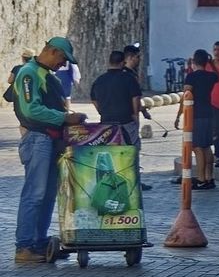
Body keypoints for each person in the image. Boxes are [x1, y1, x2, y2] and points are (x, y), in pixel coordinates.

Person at [11, 37, 85, 264]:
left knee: (47, 195)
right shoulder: (29, 73)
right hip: (38, 139)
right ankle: (24, 246)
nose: (63, 64)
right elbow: (31, 109)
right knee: (34, 194)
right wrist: (65, 118)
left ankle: (39, 243)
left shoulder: (47, 76)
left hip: (51, 140)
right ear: (52, 51)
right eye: (62, 58)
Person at [182, 49, 219, 189]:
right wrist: (212, 63)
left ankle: (201, 178)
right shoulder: (211, 76)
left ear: (193, 61)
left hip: (196, 114)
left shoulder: (191, 77)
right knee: (207, 146)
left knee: (197, 147)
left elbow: (186, 95)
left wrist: (179, 115)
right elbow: (218, 76)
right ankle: (210, 177)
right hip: (209, 113)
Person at [90, 49, 147, 127]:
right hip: (126, 120)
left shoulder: (99, 80)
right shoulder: (129, 78)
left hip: (106, 121)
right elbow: (135, 98)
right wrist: (135, 115)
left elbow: (93, 99)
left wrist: (102, 112)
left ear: (110, 62)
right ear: (122, 63)